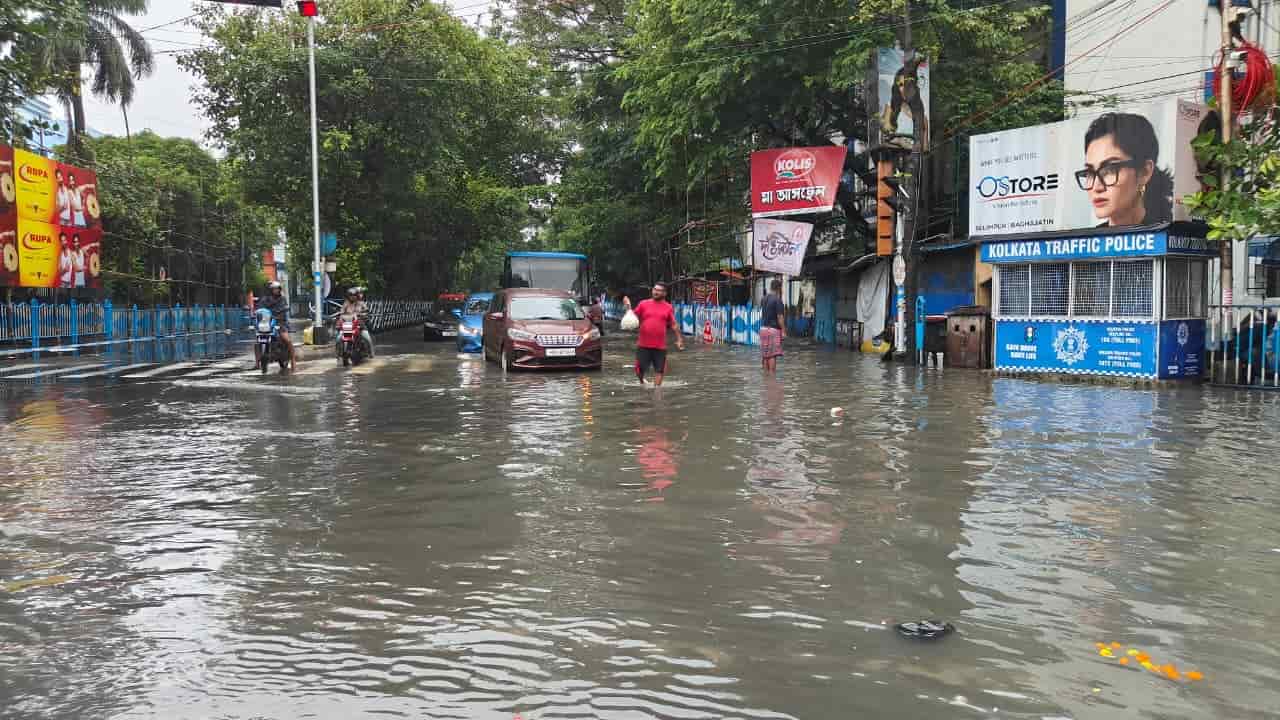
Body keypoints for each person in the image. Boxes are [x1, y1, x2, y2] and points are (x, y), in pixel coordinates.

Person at [1076, 113, 1174, 227]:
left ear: (1144, 172)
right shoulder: (1092, 240)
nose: (1096, 187)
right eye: (1090, 173)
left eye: (1110, 170)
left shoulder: (1162, 234)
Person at [624, 282, 684, 386]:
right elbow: (632, 318)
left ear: (664, 293)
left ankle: (657, 392)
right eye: (654, 289)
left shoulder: (668, 307)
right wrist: (628, 307)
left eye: (659, 290)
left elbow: (674, 325)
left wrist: (679, 339)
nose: (656, 292)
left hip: (660, 346)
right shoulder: (643, 304)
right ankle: (642, 382)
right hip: (643, 344)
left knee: (659, 370)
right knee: (639, 370)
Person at [256, 281, 296, 370]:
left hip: (280, 322)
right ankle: (256, 363)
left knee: (287, 339)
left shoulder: (282, 299)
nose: (275, 290)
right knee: (257, 341)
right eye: (274, 289)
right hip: (267, 322)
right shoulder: (265, 299)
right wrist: (256, 313)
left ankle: (293, 360)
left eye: (277, 289)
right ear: (270, 290)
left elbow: (285, 307)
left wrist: (282, 311)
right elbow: (259, 308)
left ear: (279, 290)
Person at [337, 286, 374, 357]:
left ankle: (371, 353)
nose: (352, 297)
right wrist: (340, 316)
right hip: (347, 326)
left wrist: (364, 314)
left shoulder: (361, 303)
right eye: (350, 295)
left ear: (356, 295)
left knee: (367, 338)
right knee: (338, 338)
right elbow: (341, 312)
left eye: (353, 295)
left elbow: (367, 311)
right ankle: (339, 354)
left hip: (359, 325)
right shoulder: (346, 304)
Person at [760, 278, 786, 373]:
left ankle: (766, 376)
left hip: (763, 329)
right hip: (773, 330)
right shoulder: (777, 300)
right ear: (779, 288)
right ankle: (772, 377)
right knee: (772, 355)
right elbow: (780, 317)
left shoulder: (763, 299)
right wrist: (783, 331)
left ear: (771, 287)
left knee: (765, 354)